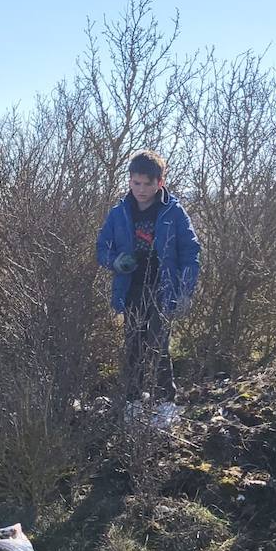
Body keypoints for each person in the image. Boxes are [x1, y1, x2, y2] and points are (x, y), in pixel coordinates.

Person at [95, 150, 201, 406]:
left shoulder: (173, 212)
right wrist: (115, 261)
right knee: (132, 344)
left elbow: (190, 250)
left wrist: (185, 290)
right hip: (131, 286)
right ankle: (132, 401)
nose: (141, 189)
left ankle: (165, 402)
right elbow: (102, 247)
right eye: (136, 183)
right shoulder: (119, 213)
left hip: (162, 288)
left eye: (148, 184)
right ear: (129, 181)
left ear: (160, 183)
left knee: (158, 344)